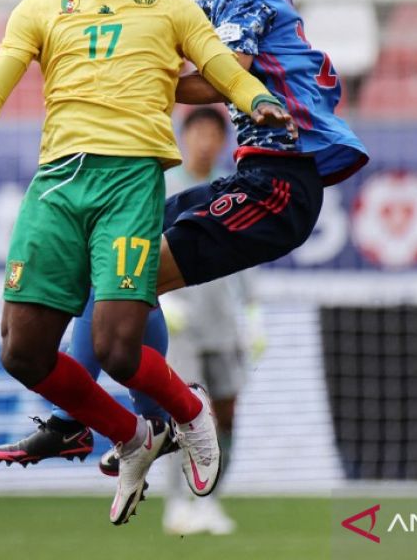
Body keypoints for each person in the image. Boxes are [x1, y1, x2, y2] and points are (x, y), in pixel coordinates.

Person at [0, 0, 295, 525]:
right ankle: (128, 435)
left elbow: (220, 63)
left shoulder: (169, 9)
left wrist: (254, 97)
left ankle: (187, 411)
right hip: (56, 187)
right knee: (21, 353)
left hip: (129, 184)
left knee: (119, 348)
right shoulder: (40, 10)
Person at [0, 0, 370, 479]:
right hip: (252, 177)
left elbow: (223, 75)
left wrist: (112, 75)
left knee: (131, 278)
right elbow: (141, 21)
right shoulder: (228, 2)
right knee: (115, 266)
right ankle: (102, 420)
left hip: (280, 187)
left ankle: (138, 420)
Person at [157, 107, 259, 536]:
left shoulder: (232, 189)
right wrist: (158, 303)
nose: (205, 140)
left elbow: (247, 255)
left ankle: (211, 500)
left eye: (213, 133)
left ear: (223, 141)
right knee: (191, 417)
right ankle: (178, 504)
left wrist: (253, 314)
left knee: (228, 417)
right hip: (182, 325)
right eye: (196, 131)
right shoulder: (162, 187)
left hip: (224, 322)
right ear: (184, 136)